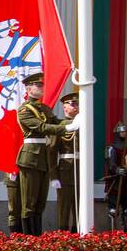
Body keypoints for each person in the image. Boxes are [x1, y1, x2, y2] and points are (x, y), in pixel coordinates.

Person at [16, 73, 77, 236]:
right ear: (28, 89)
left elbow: (56, 122)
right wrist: (67, 127)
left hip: (42, 158)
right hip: (29, 158)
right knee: (29, 202)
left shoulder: (44, 108)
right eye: (38, 85)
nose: (42, 88)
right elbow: (42, 128)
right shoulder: (24, 110)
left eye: (42, 85)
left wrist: (74, 121)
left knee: (40, 202)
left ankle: (37, 237)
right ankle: (28, 237)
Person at [55, 92, 80, 232]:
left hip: (81, 169)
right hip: (65, 171)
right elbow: (52, 152)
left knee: (80, 205)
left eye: (77, 104)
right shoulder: (60, 125)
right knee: (64, 206)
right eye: (72, 104)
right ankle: (63, 235)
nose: (75, 106)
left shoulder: (84, 124)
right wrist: (53, 176)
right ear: (65, 107)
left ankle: (78, 232)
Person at [5, 170, 23, 235]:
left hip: (27, 177)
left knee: (28, 209)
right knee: (14, 211)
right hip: (13, 179)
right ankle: (15, 237)